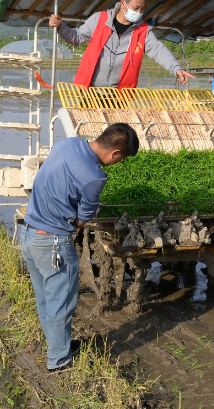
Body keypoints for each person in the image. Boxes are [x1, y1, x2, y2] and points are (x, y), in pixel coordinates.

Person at [21, 124, 139, 373]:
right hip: (53, 242)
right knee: (62, 303)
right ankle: (59, 362)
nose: (119, 163)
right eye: (122, 159)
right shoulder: (95, 176)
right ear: (115, 154)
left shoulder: (68, 144)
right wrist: (66, 223)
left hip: (29, 234)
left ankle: (58, 345)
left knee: (46, 298)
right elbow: (82, 218)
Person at [49, 0, 195, 89]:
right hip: (90, 91)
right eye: (136, 8)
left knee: (116, 134)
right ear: (123, 3)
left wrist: (176, 69)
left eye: (142, 9)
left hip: (118, 96)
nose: (139, 12)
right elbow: (76, 37)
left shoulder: (143, 31)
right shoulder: (99, 19)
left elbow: (158, 51)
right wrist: (61, 27)